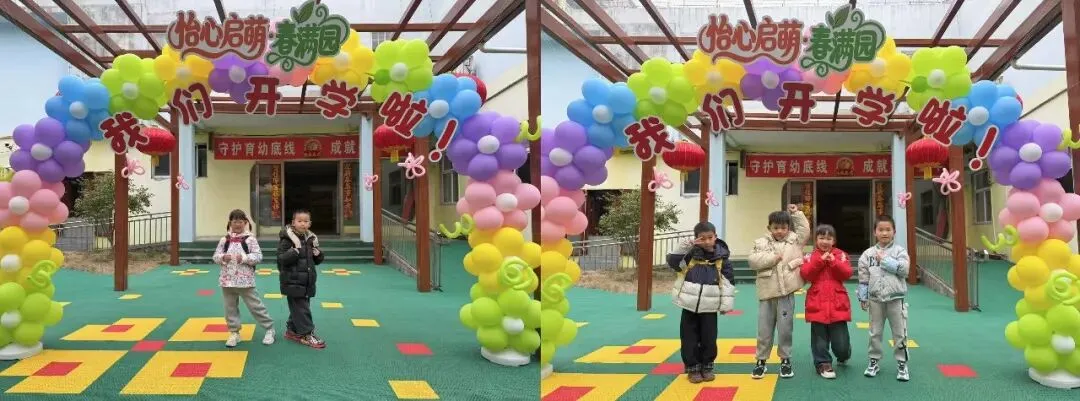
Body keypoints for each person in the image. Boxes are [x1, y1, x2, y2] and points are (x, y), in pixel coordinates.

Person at [666, 222, 736, 384]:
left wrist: (726, 304)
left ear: (715, 237)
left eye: (710, 237)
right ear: (696, 238)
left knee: (709, 338)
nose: (706, 241)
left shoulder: (722, 258)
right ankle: (692, 367)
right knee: (688, 337)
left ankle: (707, 366)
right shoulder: (690, 254)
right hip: (689, 305)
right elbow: (673, 262)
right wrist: (687, 245)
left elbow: (728, 282)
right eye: (702, 238)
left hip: (709, 307)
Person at [748, 204, 810, 379]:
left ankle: (785, 359)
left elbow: (804, 229)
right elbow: (753, 261)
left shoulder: (795, 240)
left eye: (783, 227)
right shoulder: (760, 243)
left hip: (786, 293)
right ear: (769, 228)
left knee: (785, 329)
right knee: (764, 330)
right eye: (776, 228)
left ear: (788, 228)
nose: (780, 231)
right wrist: (772, 259)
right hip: (767, 294)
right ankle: (761, 361)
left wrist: (796, 213)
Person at [857, 215, 911, 382]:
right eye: (881, 229)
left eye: (888, 229)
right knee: (875, 332)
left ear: (894, 231)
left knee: (900, 333)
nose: (884, 233)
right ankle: (874, 361)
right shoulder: (867, 254)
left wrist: (885, 260)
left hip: (895, 299)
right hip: (875, 300)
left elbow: (904, 270)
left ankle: (902, 364)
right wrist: (863, 297)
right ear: (875, 232)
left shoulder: (900, 251)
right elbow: (863, 277)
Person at [212, 209, 275, 348]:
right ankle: (234, 333)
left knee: (255, 306)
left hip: (245, 281)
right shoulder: (224, 240)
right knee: (230, 308)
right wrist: (223, 257)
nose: (237, 224)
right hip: (227, 280)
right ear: (230, 223)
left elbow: (258, 256)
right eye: (235, 221)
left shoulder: (250, 239)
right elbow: (215, 256)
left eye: (240, 221)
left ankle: (269, 329)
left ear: (245, 223)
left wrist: (245, 258)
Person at [799, 224, 853, 379]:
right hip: (817, 302)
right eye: (821, 238)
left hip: (838, 303)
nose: (825, 241)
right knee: (819, 340)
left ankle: (844, 354)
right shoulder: (810, 257)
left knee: (841, 344)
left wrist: (833, 261)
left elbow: (847, 273)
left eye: (829, 238)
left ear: (834, 241)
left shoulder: (840, 255)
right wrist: (820, 261)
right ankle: (823, 363)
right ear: (816, 240)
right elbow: (806, 274)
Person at [277, 209, 326, 349]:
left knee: (300, 308)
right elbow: (281, 259)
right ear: (293, 222)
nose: (303, 224)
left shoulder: (310, 239)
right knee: (302, 309)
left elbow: (316, 261)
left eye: (306, 221)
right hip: (292, 281)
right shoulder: (287, 239)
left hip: (306, 282)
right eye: (299, 221)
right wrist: (294, 251)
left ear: (310, 223)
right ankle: (307, 334)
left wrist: (318, 255)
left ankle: (292, 330)